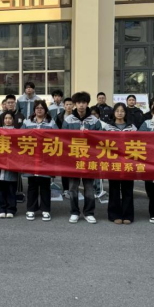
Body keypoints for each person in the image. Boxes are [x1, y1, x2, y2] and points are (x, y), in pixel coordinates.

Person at [63, 92, 102, 224]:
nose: (81, 105)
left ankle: (89, 212)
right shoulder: (68, 120)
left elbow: (100, 139)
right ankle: (74, 212)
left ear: (87, 104)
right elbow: (62, 139)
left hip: (89, 158)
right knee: (73, 187)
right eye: (79, 102)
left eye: (84, 102)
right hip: (73, 158)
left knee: (89, 187)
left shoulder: (94, 121)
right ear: (75, 104)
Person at [21, 101, 57, 222]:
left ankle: (45, 210)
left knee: (45, 186)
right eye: (37, 108)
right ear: (34, 110)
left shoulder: (51, 122)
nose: (39, 110)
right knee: (32, 185)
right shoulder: (27, 122)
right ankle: (31, 209)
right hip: (31, 158)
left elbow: (58, 137)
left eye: (42, 108)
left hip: (46, 158)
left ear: (45, 110)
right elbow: (19, 136)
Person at [104, 103, 137, 225]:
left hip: (128, 162)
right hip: (113, 162)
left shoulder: (132, 127)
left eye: (122, 111)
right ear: (114, 113)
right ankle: (114, 215)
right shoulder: (107, 127)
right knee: (114, 189)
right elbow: (101, 142)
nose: (119, 113)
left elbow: (139, 142)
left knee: (128, 189)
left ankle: (128, 215)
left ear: (125, 113)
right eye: (117, 111)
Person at [0, 111, 18, 219]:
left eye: (10, 118)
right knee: (0, 188)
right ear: (3, 120)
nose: (8, 120)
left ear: (13, 120)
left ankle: (11, 209)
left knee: (11, 188)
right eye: (6, 118)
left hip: (12, 164)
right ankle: (1, 209)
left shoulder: (17, 132)